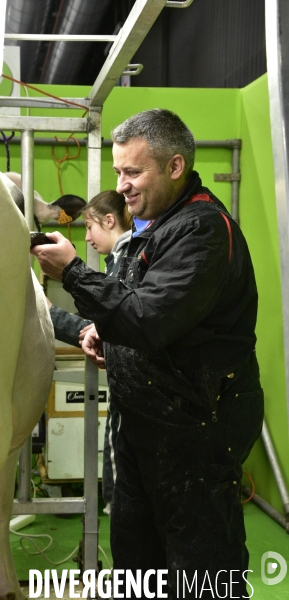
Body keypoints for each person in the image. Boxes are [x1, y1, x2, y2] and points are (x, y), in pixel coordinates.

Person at [31, 108, 264, 599]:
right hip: (145, 434)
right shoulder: (153, 230)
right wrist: (104, 334)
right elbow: (135, 314)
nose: (123, 185)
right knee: (139, 568)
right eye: (118, 172)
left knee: (201, 571)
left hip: (196, 438)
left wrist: (73, 272)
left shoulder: (201, 229)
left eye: (133, 172)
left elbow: (149, 319)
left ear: (175, 167)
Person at [47, 190, 132, 515]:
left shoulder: (125, 260)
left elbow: (111, 325)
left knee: (119, 458)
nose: (86, 237)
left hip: (130, 388)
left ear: (109, 220)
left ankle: (116, 511)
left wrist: (49, 315)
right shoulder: (124, 259)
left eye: (89, 226)